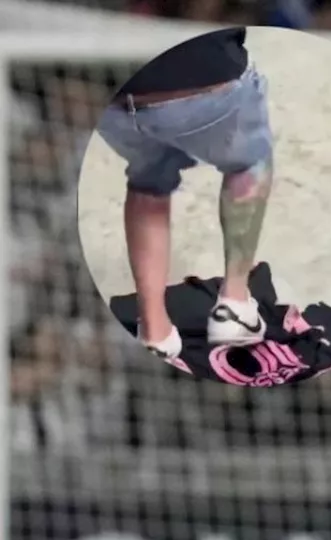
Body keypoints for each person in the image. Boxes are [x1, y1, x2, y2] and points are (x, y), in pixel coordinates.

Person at [96, 26, 273, 360]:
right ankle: (234, 304)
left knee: (149, 182)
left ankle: (155, 329)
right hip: (203, 89)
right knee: (250, 163)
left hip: (114, 106)